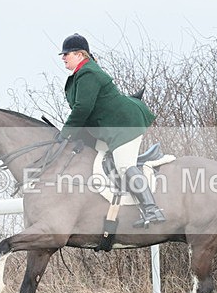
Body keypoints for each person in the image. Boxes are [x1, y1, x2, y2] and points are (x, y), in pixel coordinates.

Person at [57, 33, 166, 227]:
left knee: (124, 164)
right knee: (96, 156)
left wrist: (64, 134)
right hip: (108, 127)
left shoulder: (88, 73)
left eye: (68, 54)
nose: (63, 57)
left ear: (81, 54)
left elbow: (82, 109)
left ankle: (152, 209)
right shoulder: (81, 74)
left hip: (125, 124)